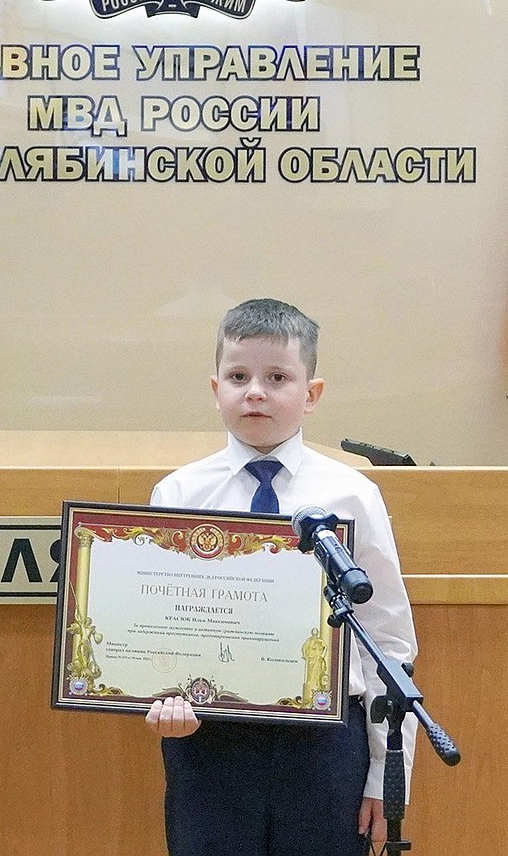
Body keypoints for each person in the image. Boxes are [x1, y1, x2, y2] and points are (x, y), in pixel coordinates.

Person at [144, 298, 417, 856]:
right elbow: (157, 635)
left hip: (327, 745)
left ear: (311, 394)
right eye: (238, 376)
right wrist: (160, 697)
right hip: (208, 739)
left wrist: (387, 777)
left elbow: (387, 640)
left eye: (277, 377)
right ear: (214, 387)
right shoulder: (178, 495)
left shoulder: (353, 495)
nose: (255, 392)